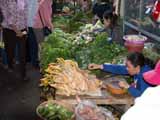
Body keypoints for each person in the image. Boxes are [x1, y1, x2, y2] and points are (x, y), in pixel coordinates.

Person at [88, 52, 154, 98]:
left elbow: (142, 96)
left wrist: (128, 87)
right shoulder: (136, 68)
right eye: (126, 65)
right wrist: (100, 66)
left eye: (128, 67)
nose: (126, 68)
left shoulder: (146, 77)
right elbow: (119, 68)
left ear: (137, 67)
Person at [1, 0, 28, 80]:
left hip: (22, 29)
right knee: (10, 51)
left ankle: (23, 74)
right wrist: (17, 31)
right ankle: (10, 65)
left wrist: (26, 29)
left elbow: (25, 13)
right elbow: (7, 16)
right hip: (9, 30)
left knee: (22, 53)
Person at [27, 0, 39, 69]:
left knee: (32, 44)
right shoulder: (35, 1)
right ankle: (35, 62)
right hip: (36, 25)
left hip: (29, 24)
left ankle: (33, 61)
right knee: (36, 45)